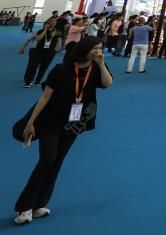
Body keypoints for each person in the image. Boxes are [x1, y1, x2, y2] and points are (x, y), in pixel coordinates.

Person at [15, 36, 113, 225]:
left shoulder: (96, 69)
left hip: (75, 123)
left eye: (100, 48)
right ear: (84, 49)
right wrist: (31, 122)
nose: (98, 51)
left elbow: (107, 84)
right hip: (51, 121)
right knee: (47, 160)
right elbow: (45, 97)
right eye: (95, 48)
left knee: (57, 162)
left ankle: (39, 205)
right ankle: (25, 206)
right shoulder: (62, 69)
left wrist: (102, 64)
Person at [20, 19, 62, 88]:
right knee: (33, 66)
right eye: (52, 21)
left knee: (44, 67)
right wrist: (45, 30)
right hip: (38, 51)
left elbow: (59, 42)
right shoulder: (40, 31)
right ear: (48, 23)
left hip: (49, 52)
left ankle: (38, 81)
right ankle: (28, 82)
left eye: (55, 21)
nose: (54, 23)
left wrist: (55, 51)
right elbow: (38, 39)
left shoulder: (57, 32)